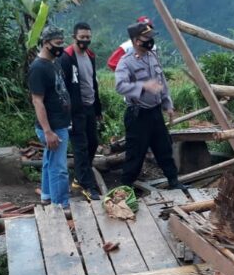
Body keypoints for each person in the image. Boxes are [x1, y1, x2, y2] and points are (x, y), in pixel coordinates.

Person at [115, 21, 186, 190]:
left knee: (164, 148)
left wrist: (167, 104)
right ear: (136, 41)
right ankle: (125, 187)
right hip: (138, 114)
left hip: (155, 112)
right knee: (135, 153)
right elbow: (120, 86)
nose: (150, 41)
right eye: (146, 38)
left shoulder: (152, 56)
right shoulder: (126, 62)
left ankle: (173, 181)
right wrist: (142, 87)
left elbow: (161, 82)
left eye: (151, 37)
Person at [28, 26, 72, 209]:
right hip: (52, 127)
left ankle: (46, 196)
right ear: (46, 43)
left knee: (49, 161)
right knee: (59, 168)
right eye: (57, 43)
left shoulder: (54, 62)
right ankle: (61, 205)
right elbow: (37, 101)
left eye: (62, 43)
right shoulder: (38, 68)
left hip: (59, 123)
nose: (61, 47)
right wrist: (48, 131)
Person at [60, 22, 103, 201]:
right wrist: (68, 112)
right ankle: (87, 186)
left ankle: (79, 176)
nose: (85, 40)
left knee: (93, 143)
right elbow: (64, 87)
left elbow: (93, 82)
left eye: (88, 37)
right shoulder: (67, 57)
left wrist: (98, 108)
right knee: (81, 147)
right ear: (74, 37)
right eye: (82, 37)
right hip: (75, 110)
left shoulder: (90, 56)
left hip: (90, 106)